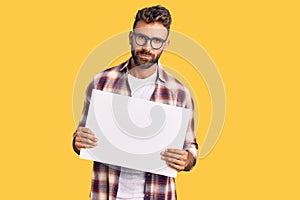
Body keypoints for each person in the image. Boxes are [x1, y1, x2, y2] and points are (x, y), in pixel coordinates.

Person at [72, 5, 198, 200]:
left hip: (158, 194)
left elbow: (190, 147)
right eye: (142, 38)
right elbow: (81, 138)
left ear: (166, 44)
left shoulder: (179, 93)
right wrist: (78, 141)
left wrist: (186, 159)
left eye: (156, 41)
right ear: (131, 37)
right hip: (106, 193)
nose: (147, 47)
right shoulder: (101, 83)